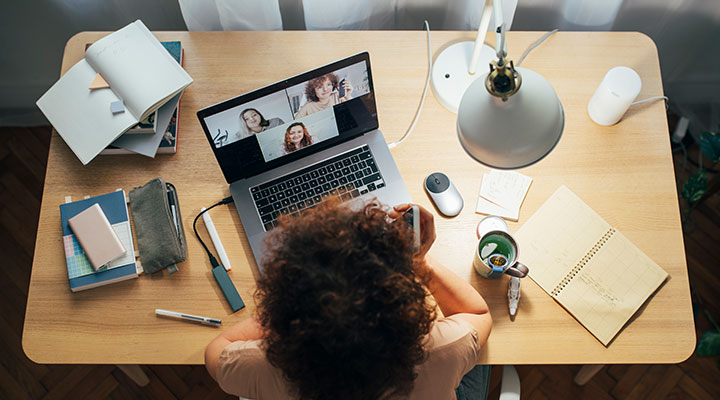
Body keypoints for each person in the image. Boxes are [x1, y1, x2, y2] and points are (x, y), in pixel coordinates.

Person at [205, 200, 493, 400]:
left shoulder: (264, 367)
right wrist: (419, 262)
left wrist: (283, 310)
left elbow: (215, 351)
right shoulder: (441, 349)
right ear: (405, 307)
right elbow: (478, 314)